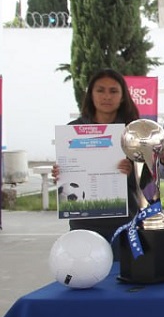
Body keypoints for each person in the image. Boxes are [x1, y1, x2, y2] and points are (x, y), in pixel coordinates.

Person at [53, 68, 142, 258]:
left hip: (124, 221)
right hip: (83, 222)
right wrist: (60, 174)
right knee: (87, 274)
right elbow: (67, 179)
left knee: (123, 278)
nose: (106, 97)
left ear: (123, 96)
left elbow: (148, 182)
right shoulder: (73, 130)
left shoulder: (133, 131)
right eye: (100, 90)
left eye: (113, 91)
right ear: (91, 95)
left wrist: (132, 172)